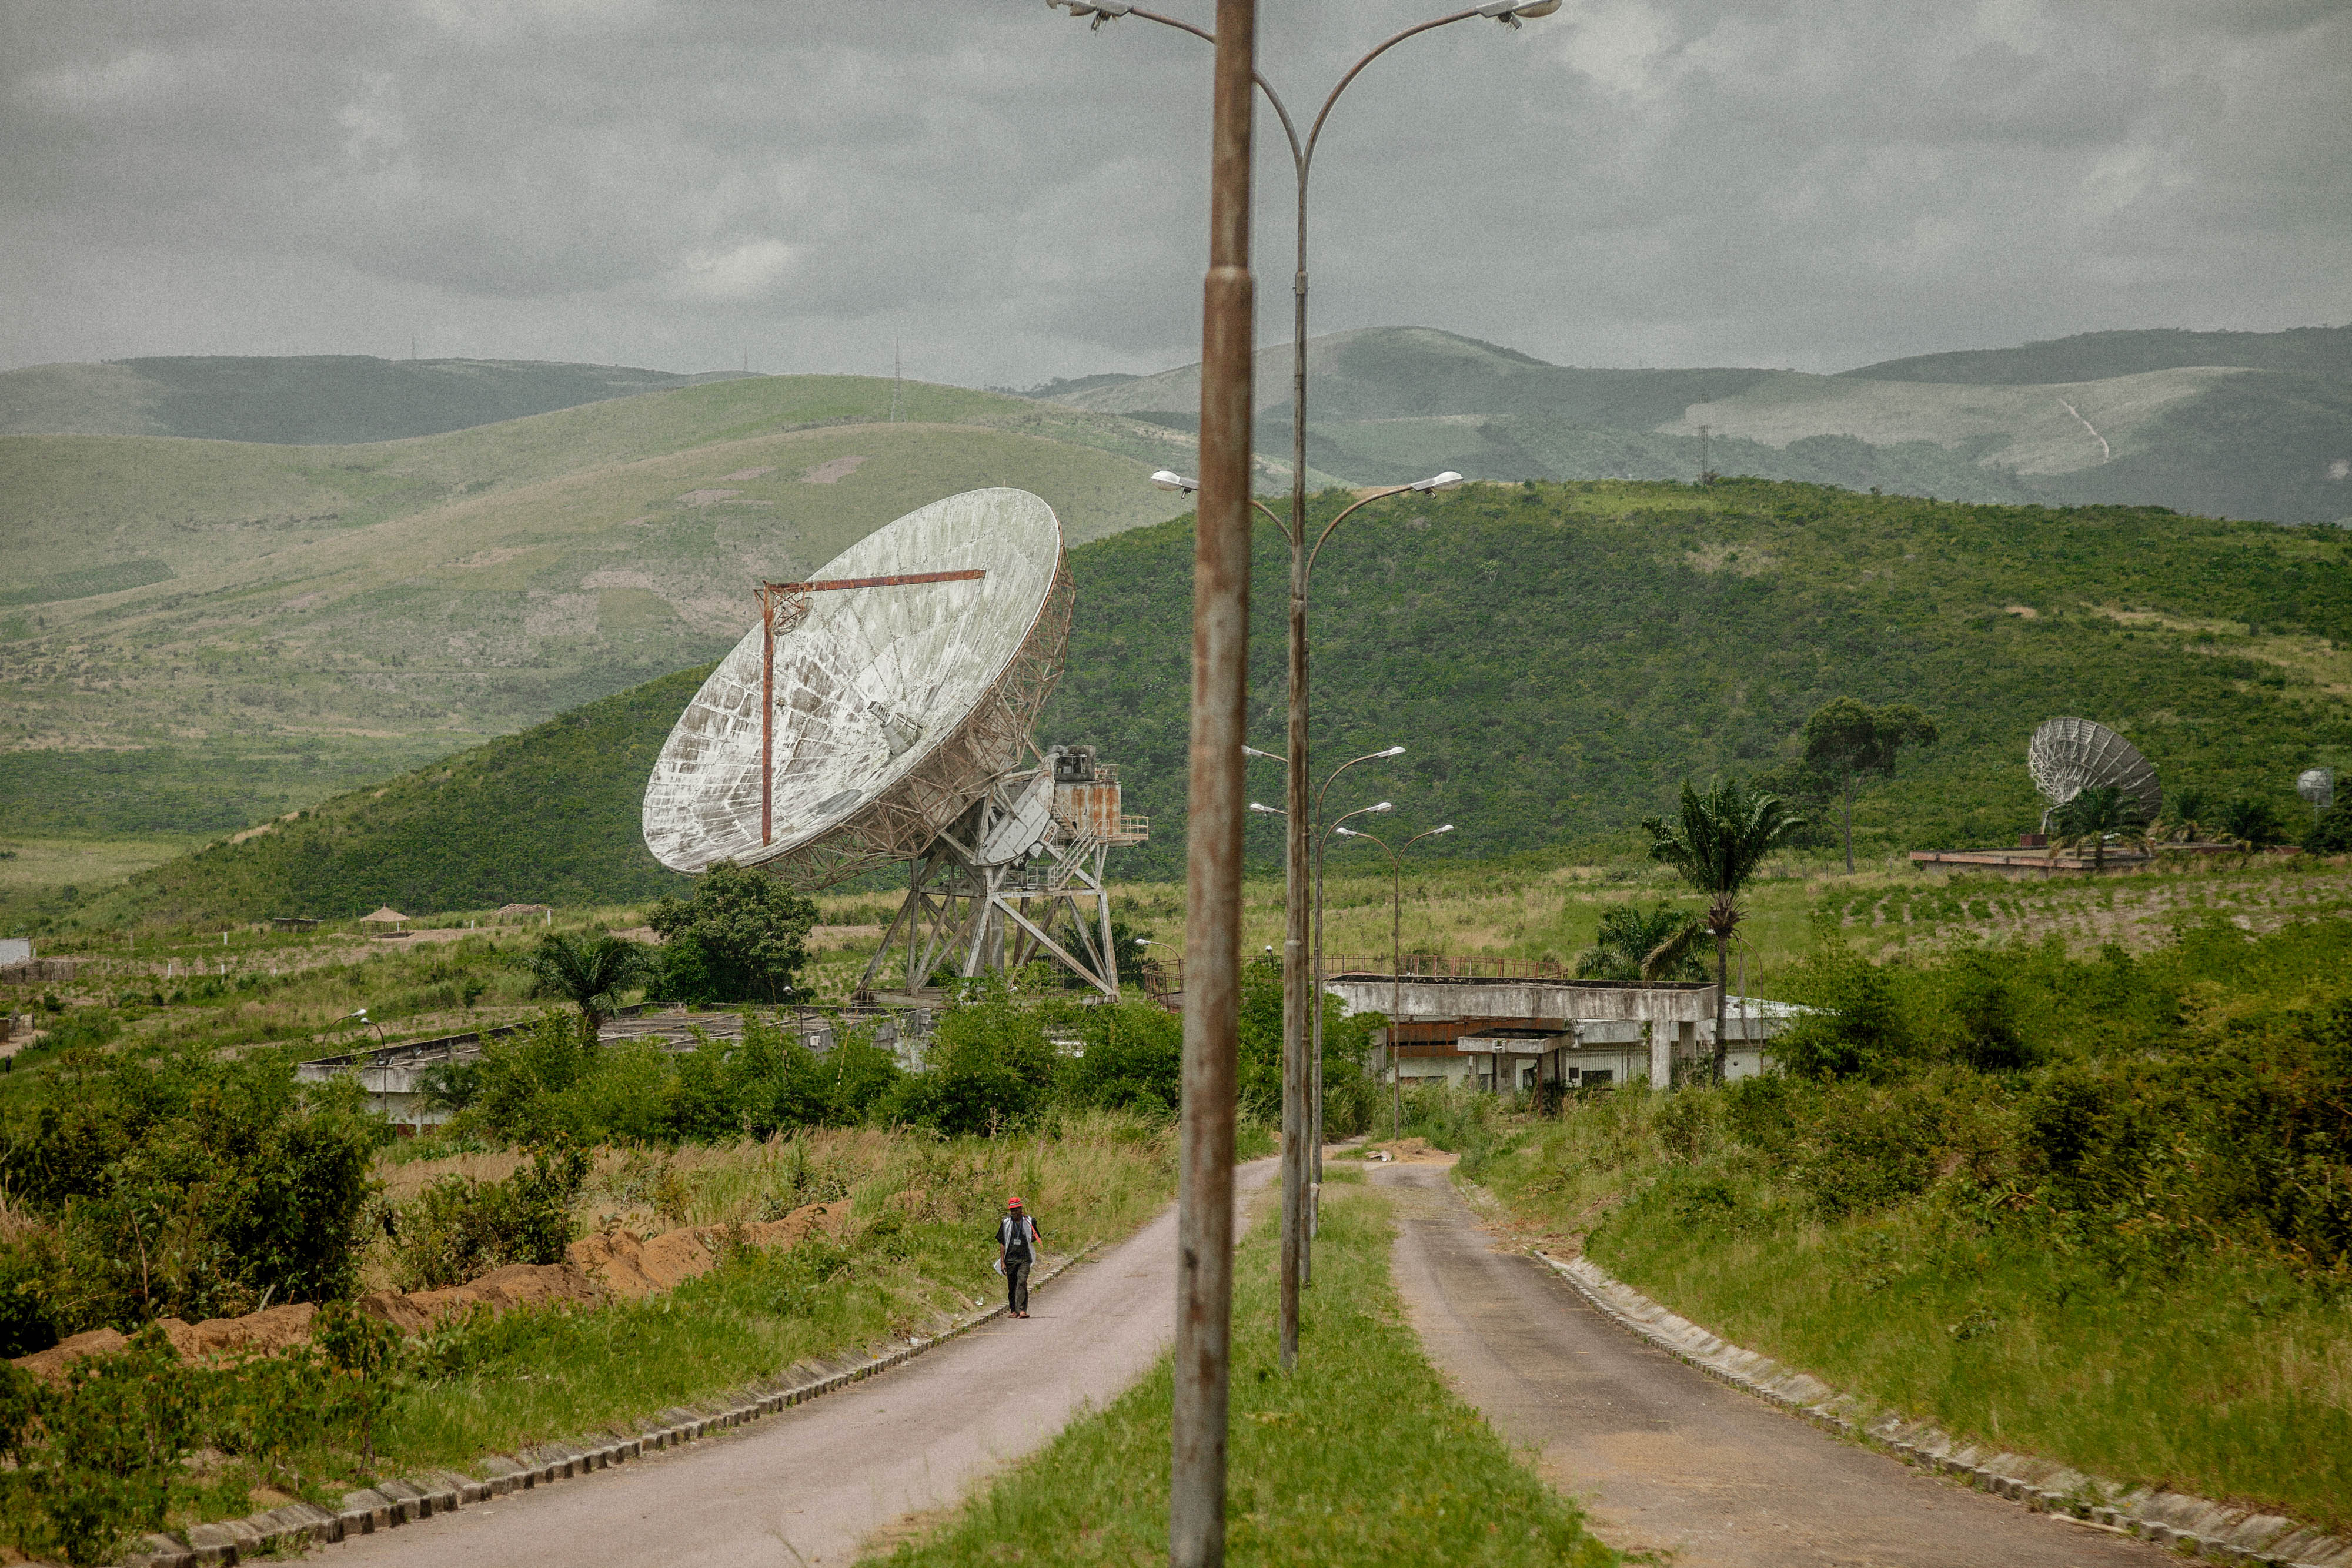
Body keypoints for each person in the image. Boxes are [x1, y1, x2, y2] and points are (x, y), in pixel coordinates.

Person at [996, 1196, 1043, 1318]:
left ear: (1021, 1209)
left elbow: (1036, 1236)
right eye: (1012, 1210)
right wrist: (1002, 1262)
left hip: (1025, 1258)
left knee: (1022, 1282)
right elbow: (1002, 1243)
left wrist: (1031, 1237)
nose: (1015, 1213)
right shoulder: (1006, 1223)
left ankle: (1022, 1310)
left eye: (1017, 1209)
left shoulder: (1029, 1222)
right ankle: (1014, 1310)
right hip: (1010, 1259)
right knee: (1012, 1285)